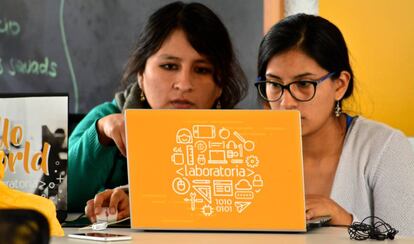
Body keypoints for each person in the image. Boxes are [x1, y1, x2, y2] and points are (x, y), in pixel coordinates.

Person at [69, 1, 248, 219]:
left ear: (220, 85)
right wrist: (100, 135)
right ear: (141, 75)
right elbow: (59, 195)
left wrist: (140, 202)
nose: (184, 84)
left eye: (201, 70)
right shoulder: (104, 121)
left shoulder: (241, 141)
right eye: (169, 66)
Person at [254, 13, 414, 235]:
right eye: (274, 84)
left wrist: (347, 221)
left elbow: (406, 238)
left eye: (303, 84)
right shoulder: (249, 148)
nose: (285, 102)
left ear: (340, 85)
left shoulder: (385, 148)